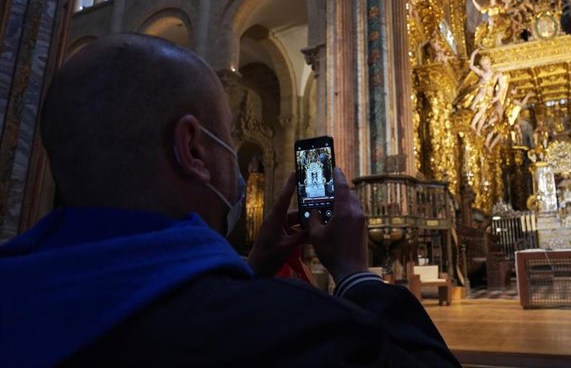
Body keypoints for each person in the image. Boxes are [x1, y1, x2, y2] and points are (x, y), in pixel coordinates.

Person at [0, 34, 460, 367]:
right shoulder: (293, 330)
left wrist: (248, 267)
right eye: (228, 139)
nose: (238, 165)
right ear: (194, 150)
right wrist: (356, 275)